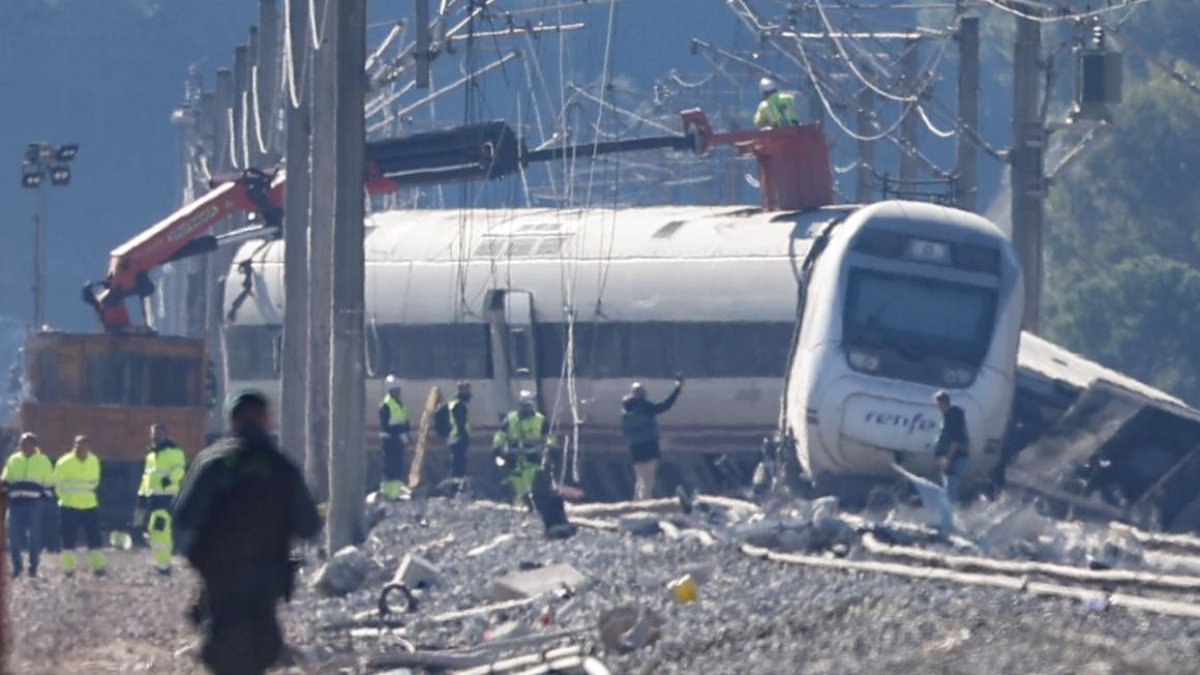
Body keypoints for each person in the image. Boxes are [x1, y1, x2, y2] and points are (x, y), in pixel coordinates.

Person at [174, 389, 320, 675]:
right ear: (267, 420)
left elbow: (185, 516)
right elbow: (309, 525)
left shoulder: (212, 463)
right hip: (266, 574)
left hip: (220, 574)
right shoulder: (281, 467)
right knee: (261, 643)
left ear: (231, 420)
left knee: (220, 639)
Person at [621, 377, 684, 500]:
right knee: (649, 478)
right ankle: (645, 503)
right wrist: (677, 389)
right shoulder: (645, 407)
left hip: (635, 448)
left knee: (640, 477)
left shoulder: (626, 409)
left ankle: (636, 501)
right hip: (650, 446)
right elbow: (665, 405)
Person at [138, 423, 187, 575]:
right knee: (154, 530)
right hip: (154, 497)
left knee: (160, 528)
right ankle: (162, 563)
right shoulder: (151, 455)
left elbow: (180, 470)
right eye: (153, 433)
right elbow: (147, 477)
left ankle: (165, 565)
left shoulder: (174, 451)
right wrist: (142, 495)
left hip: (167, 497)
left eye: (158, 433)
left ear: (166, 434)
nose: (155, 436)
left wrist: (169, 480)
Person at [2, 432, 54, 578]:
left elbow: (49, 483)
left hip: (34, 505)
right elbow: (6, 479)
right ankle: (17, 567)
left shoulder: (43, 461)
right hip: (15, 504)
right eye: (23, 443)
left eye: (29, 443)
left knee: (34, 536)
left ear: (35, 445)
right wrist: (6, 492)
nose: (25, 445)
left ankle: (33, 567)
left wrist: (43, 499)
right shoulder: (13, 460)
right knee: (13, 536)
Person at [53, 435, 106, 577]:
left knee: (95, 538)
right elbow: (57, 484)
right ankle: (69, 569)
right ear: (74, 445)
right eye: (79, 444)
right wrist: (64, 498)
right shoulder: (64, 462)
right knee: (68, 539)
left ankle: (99, 567)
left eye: (84, 445)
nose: (82, 447)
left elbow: (95, 481)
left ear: (89, 447)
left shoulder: (94, 460)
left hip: (89, 504)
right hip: (69, 505)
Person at [492, 390, 554, 506]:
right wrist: (498, 449)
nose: (526, 408)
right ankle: (520, 511)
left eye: (528, 405)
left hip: (533, 460)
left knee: (534, 489)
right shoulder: (510, 419)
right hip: (515, 460)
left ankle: (535, 509)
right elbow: (500, 436)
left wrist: (548, 450)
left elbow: (549, 439)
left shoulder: (541, 420)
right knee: (518, 491)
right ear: (519, 405)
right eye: (524, 405)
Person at [933, 390, 969, 531]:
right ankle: (949, 521)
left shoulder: (952, 417)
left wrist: (948, 459)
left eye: (938, 404)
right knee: (947, 490)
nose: (937, 407)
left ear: (942, 403)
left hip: (955, 459)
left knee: (950, 491)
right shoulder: (950, 416)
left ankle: (951, 524)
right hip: (951, 458)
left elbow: (955, 441)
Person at [378, 374, 411, 499]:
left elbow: (404, 421)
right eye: (397, 390)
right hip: (389, 441)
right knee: (390, 468)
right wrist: (400, 432)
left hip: (398, 441)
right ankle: (388, 493)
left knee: (397, 467)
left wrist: (406, 433)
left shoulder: (400, 404)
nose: (399, 392)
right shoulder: (385, 405)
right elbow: (386, 426)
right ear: (392, 390)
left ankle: (395, 493)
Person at [447, 381, 472, 479]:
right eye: (467, 390)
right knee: (459, 468)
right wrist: (465, 438)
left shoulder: (454, 402)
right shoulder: (459, 405)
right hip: (459, 439)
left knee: (456, 466)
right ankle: (457, 489)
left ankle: (456, 487)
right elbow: (461, 423)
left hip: (454, 439)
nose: (469, 393)